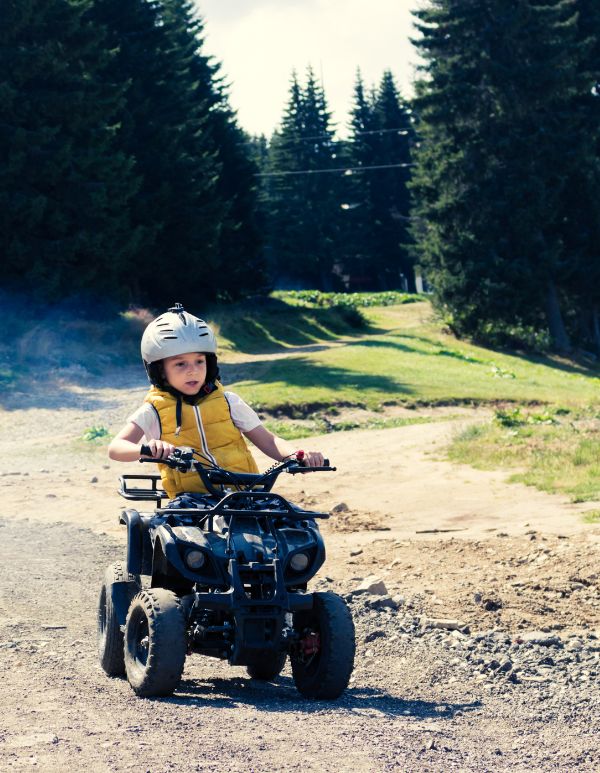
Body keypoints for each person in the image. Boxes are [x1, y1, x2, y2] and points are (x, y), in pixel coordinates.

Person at [108, 303, 324, 500]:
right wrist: (148, 448)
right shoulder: (153, 410)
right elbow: (116, 448)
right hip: (190, 502)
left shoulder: (229, 402)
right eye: (180, 364)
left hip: (246, 494)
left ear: (210, 364)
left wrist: (295, 455)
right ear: (160, 371)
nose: (193, 370)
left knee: (295, 524)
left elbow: (268, 441)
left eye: (199, 361)